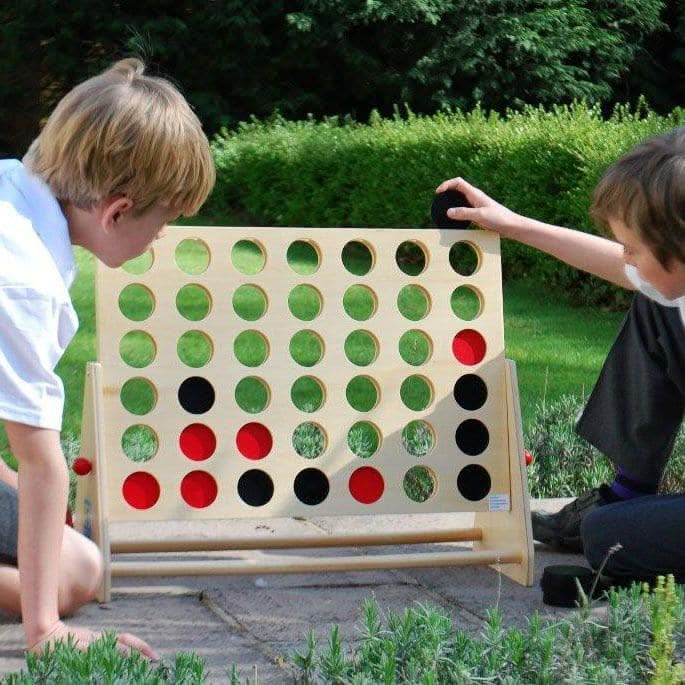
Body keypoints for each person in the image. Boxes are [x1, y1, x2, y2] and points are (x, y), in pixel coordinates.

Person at [0, 58, 215, 658]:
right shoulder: (21, 280)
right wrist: (46, 629)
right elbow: (41, 462)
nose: (162, 236)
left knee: (63, 542)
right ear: (117, 211)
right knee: (77, 571)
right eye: (164, 219)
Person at [437, 126, 685, 584]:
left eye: (633, 248)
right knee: (656, 307)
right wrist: (511, 224)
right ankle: (628, 493)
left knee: (607, 537)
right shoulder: (675, 283)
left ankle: (628, 516)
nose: (625, 259)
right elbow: (618, 265)